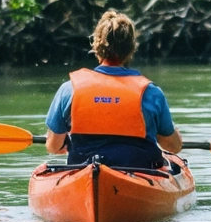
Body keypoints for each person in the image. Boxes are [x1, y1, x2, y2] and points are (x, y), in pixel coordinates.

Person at [45, 11, 182, 168]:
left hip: (84, 169)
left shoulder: (69, 89)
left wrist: (63, 143)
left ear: (96, 46)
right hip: (139, 170)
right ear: (131, 49)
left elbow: (53, 146)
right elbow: (173, 147)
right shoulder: (151, 93)